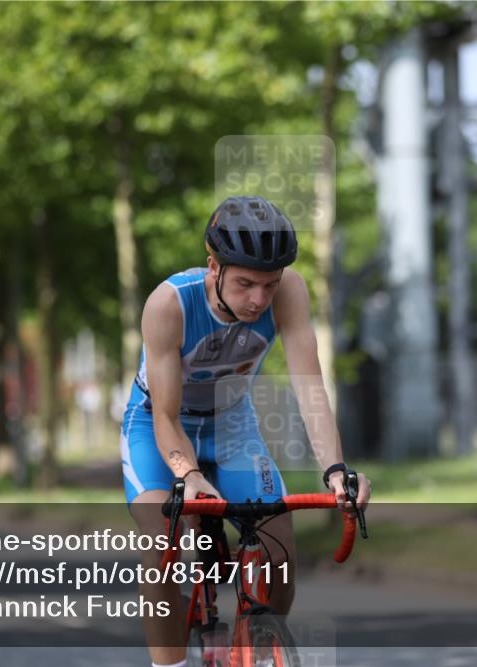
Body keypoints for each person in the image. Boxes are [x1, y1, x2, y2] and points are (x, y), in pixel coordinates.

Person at [120, 195, 373, 667]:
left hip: (232, 424)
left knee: (279, 544)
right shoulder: (168, 304)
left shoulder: (290, 293)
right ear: (213, 267)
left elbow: (310, 389)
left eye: (269, 285)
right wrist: (188, 475)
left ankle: (258, 643)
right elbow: (166, 418)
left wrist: (336, 471)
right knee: (163, 542)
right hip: (160, 425)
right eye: (245, 284)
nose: (259, 299)